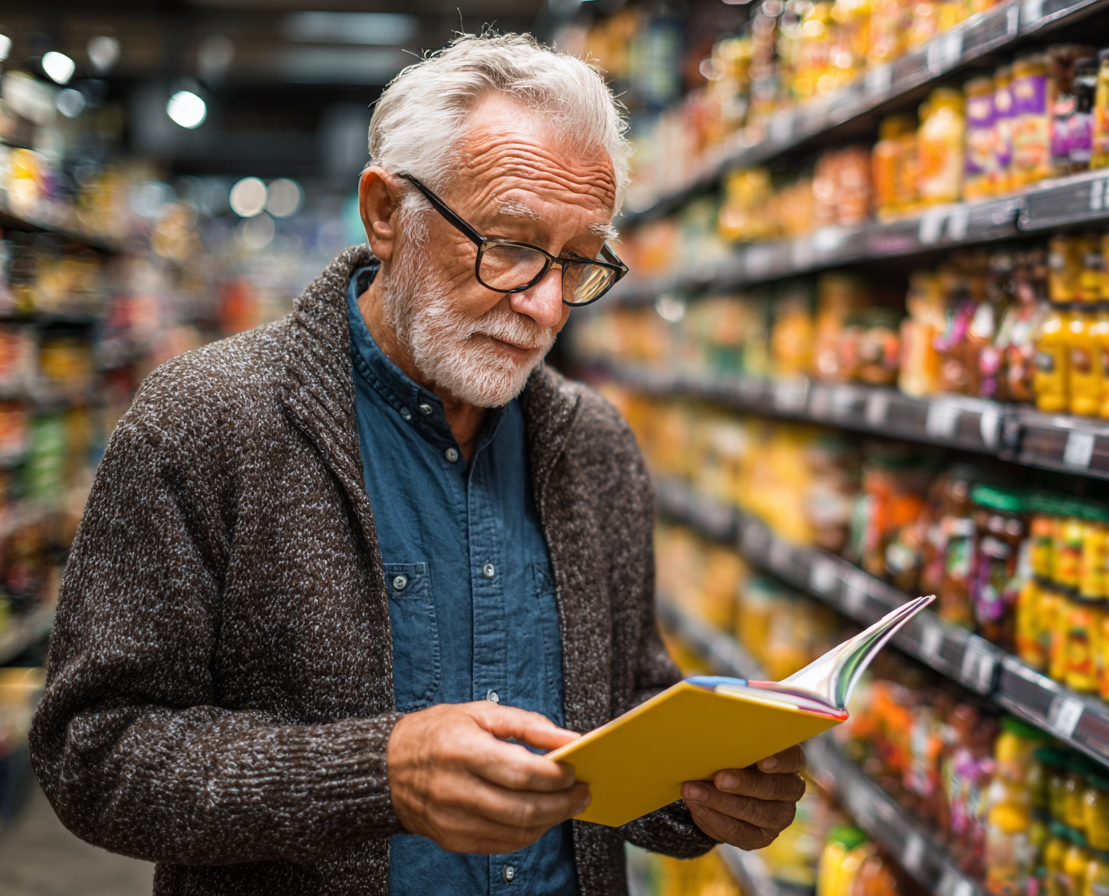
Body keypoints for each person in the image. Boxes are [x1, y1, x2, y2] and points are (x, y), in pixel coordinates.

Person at [28, 34, 807, 896]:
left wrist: (706, 793)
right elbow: (94, 753)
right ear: (387, 214)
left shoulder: (596, 446)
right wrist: (379, 772)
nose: (547, 306)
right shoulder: (204, 421)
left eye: (581, 259)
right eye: (508, 244)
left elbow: (624, 710)